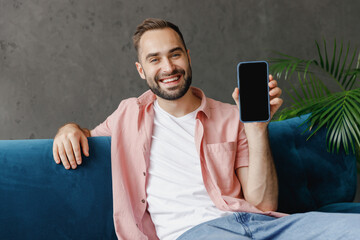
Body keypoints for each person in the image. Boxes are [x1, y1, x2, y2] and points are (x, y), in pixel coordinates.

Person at [53, 18, 360, 240]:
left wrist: (256, 128)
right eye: (154, 59)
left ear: (188, 56)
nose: (168, 67)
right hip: (198, 233)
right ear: (141, 70)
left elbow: (263, 204)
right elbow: (85, 135)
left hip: (263, 225)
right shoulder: (126, 115)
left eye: (175, 54)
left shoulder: (230, 116)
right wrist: (68, 128)